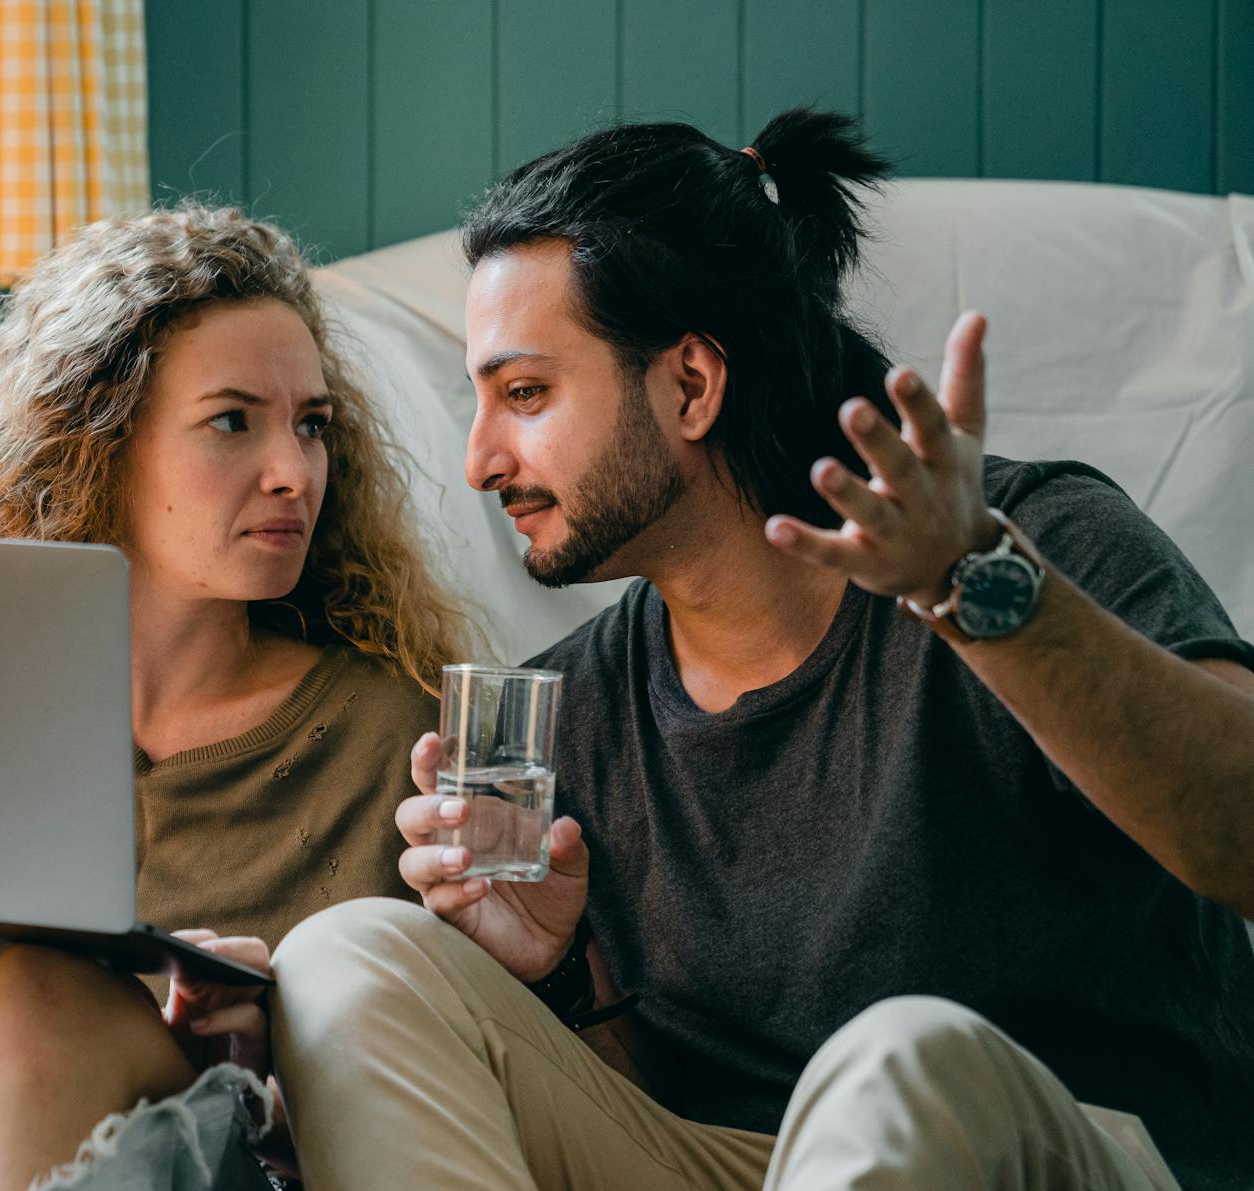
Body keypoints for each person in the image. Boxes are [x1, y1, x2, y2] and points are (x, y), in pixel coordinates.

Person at [268, 108, 1254, 1190]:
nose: (478, 460)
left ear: (689, 384)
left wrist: (980, 595)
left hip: (1047, 1150)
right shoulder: (577, 711)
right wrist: (549, 975)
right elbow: (642, 1124)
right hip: (752, 1169)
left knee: (895, 1061)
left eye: (525, 393)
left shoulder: (1024, 548)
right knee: (344, 955)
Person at [0, 205, 472, 1191]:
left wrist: (264, 1039)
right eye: (231, 422)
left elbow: (440, 1096)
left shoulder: (396, 728)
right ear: (98, 441)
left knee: (38, 1004)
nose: (292, 472)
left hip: (257, 1163)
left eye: (311, 426)